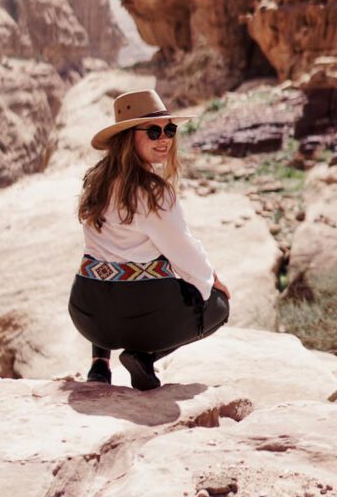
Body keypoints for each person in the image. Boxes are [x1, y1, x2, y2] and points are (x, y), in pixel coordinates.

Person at [68, 89, 231, 391]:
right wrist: (211, 281)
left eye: (169, 129)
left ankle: (99, 364)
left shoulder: (95, 180)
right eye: (154, 131)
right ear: (129, 137)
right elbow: (183, 252)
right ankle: (144, 356)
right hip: (137, 312)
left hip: (86, 311)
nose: (164, 139)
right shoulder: (154, 192)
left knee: (104, 262)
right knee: (219, 306)